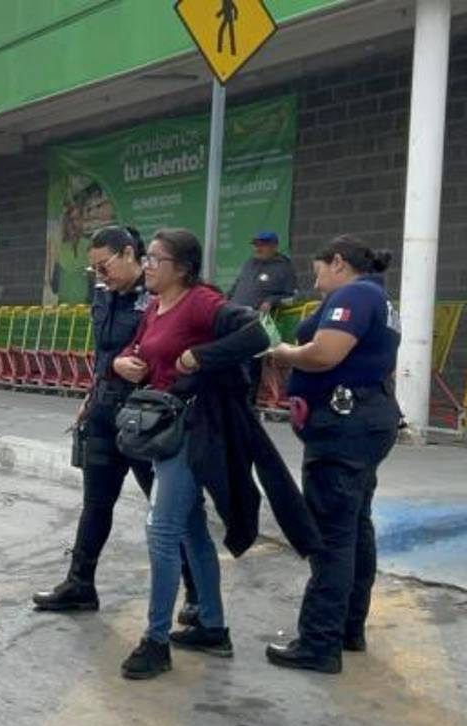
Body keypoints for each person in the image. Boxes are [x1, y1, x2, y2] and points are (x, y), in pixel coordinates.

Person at [112, 228, 320, 680]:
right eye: (146, 258)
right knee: (188, 531)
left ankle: (155, 641)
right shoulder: (154, 308)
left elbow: (260, 332)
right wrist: (124, 362)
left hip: (194, 431)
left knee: (162, 532)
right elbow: (137, 349)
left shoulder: (201, 302)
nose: (146, 266)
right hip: (162, 431)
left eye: (154, 259)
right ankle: (211, 625)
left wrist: (200, 357)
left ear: (181, 268)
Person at [32, 226, 200, 619]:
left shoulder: (160, 298)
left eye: (104, 266)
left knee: (166, 513)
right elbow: (103, 353)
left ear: (129, 254)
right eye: (94, 270)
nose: (100, 275)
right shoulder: (104, 296)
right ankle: (80, 584)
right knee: (96, 504)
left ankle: (197, 593)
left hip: (146, 418)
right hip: (106, 414)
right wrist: (91, 397)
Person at [265, 236, 401, 675]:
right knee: (355, 527)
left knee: (331, 535)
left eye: (319, 267)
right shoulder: (377, 298)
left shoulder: (356, 294)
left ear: (338, 262)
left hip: (343, 427)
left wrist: (286, 354)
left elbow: (324, 354)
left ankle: (320, 642)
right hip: (365, 420)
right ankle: (347, 628)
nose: (316, 276)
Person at [228, 231, 297, 405]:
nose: (258, 248)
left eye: (262, 244)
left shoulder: (283, 267)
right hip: (236, 317)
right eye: (256, 244)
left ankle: (249, 402)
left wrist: (271, 301)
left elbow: (292, 296)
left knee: (251, 363)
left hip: (261, 320)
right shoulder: (249, 264)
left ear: (274, 245)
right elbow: (236, 287)